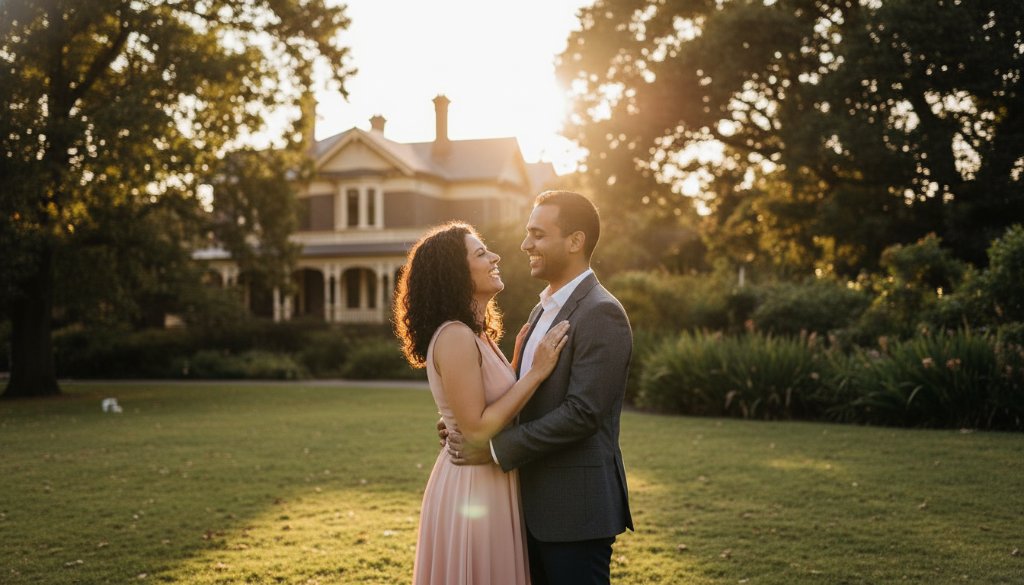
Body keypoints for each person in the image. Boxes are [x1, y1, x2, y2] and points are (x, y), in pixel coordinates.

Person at [443, 190, 634, 585]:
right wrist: (466, 422)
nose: (525, 244)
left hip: (574, 512)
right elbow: (524, 398)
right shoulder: (542, 310)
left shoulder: (602, 313)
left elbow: (582, 413)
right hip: (524, 507)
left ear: (575, 241)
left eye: (538, 234)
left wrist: (493, 450)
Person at [394, 221, 571, 585]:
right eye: (480, 253)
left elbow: (482, 403)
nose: (495, 256)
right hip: (471, 485)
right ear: (456, 274)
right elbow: (475, 429)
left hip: (489, 479)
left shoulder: (476, 335)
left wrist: (517, 362)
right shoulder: (455, 336)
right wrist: (535, 373)